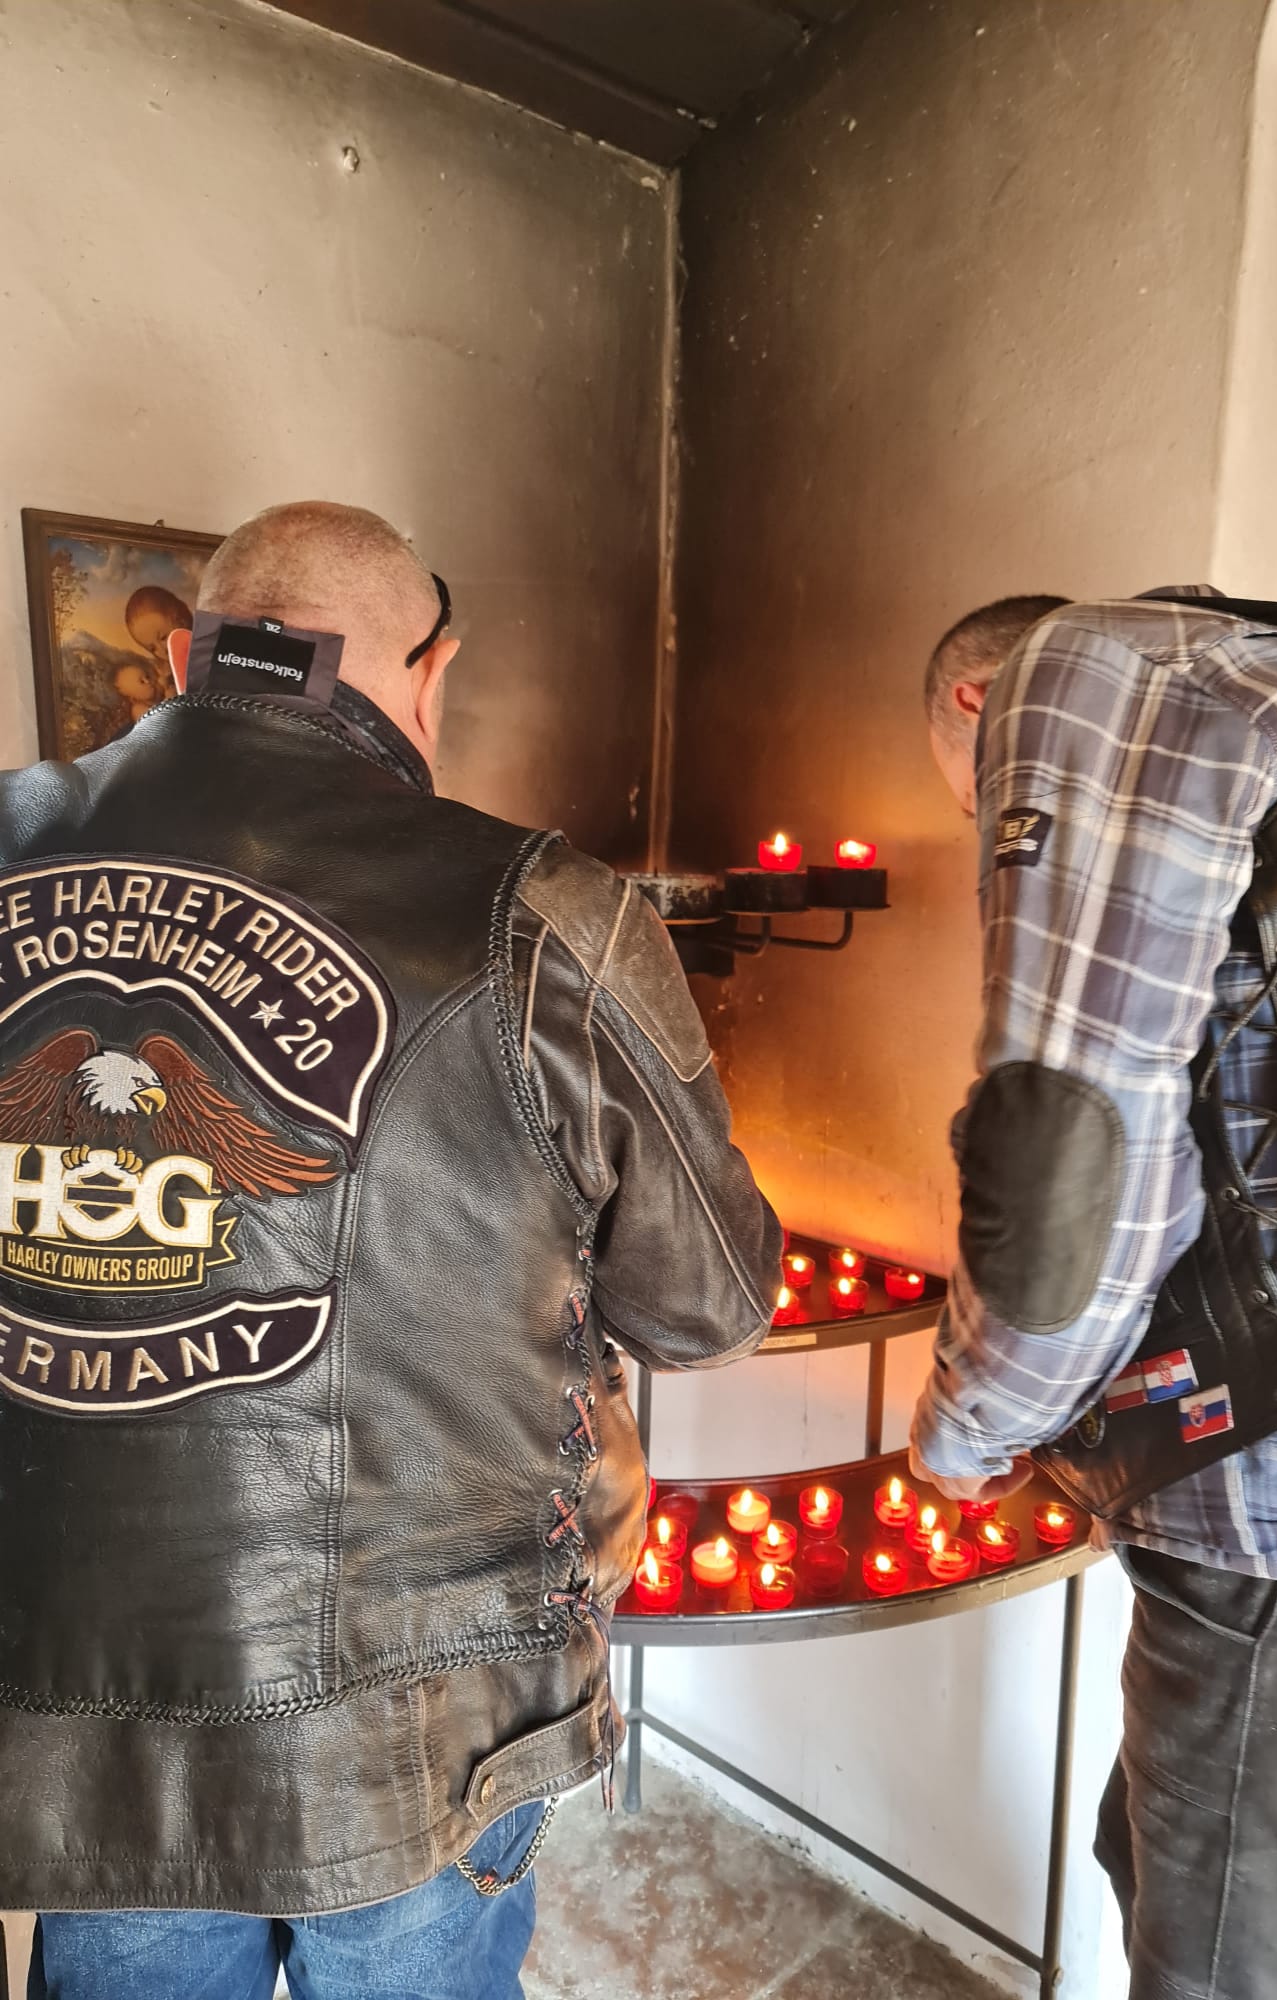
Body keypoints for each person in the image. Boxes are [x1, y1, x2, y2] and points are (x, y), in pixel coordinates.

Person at [0, 500, 780, 2000]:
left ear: (184, 660)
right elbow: (711, 1305)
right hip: (424, 1726)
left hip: (88, 1733)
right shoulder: (544, 914)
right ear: (432, 671)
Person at [912, 587, 1277, 2000]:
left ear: (977, 707)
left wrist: (973, 1427)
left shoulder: (1090, 674)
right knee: (1168, 1866)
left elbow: (1074, 1151)